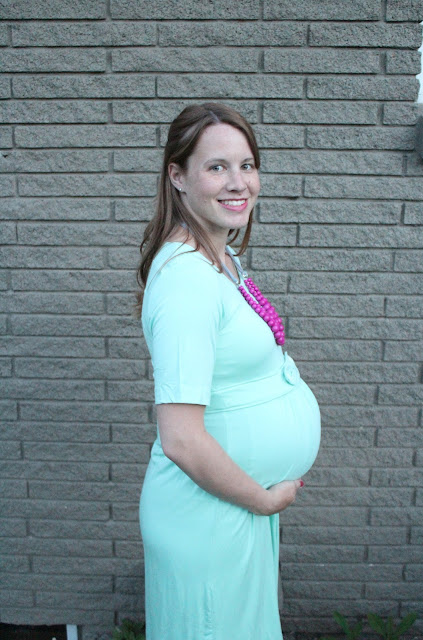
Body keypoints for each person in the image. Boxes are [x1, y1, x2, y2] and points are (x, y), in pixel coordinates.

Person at [135, 102, 321, 640]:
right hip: (211, 517)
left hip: (230, 510)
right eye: (217, 167)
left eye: (247, 165)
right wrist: (263, 500)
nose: (239, 183)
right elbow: (181, 439)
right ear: (178, 176)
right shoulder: (186, 280)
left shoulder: (220, 258)